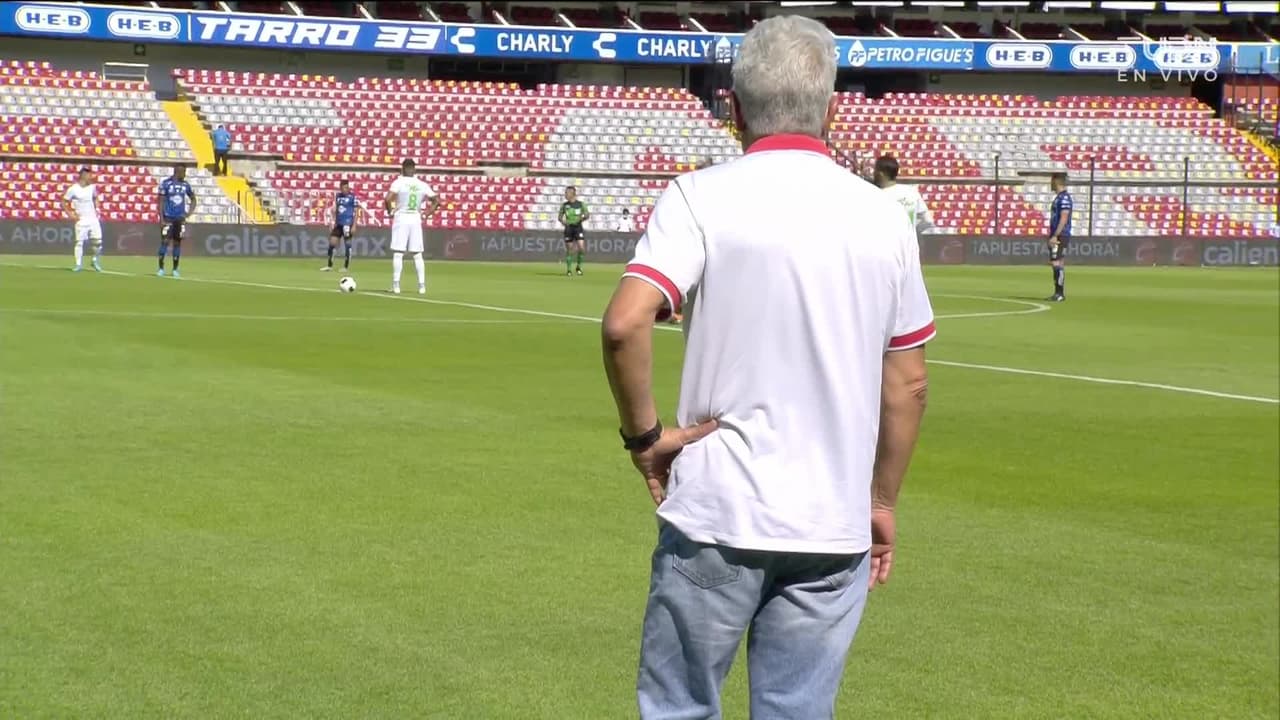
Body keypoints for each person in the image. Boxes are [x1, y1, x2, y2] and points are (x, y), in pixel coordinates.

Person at [600, 16, 934, 720]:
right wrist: (880, 502)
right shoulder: (884, 220)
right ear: (832, 107)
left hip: (718, 513)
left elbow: (627, 322)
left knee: (678, 707)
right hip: (831, 522)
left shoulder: (699, 196)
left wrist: (645, 440)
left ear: (733, 108)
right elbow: (909, 383)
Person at [384, 159, 438, 295]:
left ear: (402, 169)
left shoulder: (399, 182)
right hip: (415, 218)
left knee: (398, 252)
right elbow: (437, 201)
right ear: (414, 169)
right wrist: (426, 214)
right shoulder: (421, 184)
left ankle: (396, 285)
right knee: (417, 254)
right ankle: (422, 286)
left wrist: (390, 211)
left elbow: (387, 198)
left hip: (401, 217)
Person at [874, 155, 936, 234]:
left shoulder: (877, 195)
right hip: (909, 245)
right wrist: (912, 233)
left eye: (874, 170)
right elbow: (928, 221)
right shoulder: (912, 191)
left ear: (880, 174)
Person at [157, 165, 196, 278]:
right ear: (177, 171)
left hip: (180, 218)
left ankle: (175, 269)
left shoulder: (185, 185)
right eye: (184, 172)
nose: (185, 174)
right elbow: (161, 201)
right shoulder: (166, 184)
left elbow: (193, 199)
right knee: (164, 242)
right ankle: (161, 268)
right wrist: (162, 218)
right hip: (168, 217)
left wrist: (188, 213)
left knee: (177, 242)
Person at [62, 167, 103, 273]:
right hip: (81, 219)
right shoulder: (73, 189)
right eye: (89, 175)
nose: (91, 177)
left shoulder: (92, 187)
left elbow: (96, 198)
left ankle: (94, 260)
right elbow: (64, 201)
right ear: (83, 175)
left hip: (93, 218)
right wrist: (70, 214)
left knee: (98, 242)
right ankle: (78, 264)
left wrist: (98, 209)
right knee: (79, 243)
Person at [323, 179, 362, 273]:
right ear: (340, 188)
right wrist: (333, 221)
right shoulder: (338, 196)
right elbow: (336, 209)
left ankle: (346, 267)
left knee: (347, 245)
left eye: (346, 187)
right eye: (343, 187)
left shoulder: (353, 197)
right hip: (339, 224)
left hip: (348, 224)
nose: (345, 189)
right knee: (332, 243)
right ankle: (329, 266)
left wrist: (354, 226)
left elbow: (356, 212)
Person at [1047, 172, 1072, 302]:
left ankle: (1059, 293)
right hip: (1059, 234)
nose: (1050, 183)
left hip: (1060, 235)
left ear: (1056, 181)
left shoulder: (1064, 198)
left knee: (1056, 262)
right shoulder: (1059, 198)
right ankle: (1058, 292)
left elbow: (1064, 217)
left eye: (1051, 180)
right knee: (1057, 262)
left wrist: (1055, 235)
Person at [558, 186, 589, 276]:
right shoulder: (564, 205)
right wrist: (563, 221)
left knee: (582, 248)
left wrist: (582, 218)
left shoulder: (581, 204)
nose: (565, 194)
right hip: (568, 228)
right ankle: (569, 270)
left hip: (578, 227)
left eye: (567, 193)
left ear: (572, 194)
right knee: (570, 249)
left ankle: (579, 266)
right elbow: (559, 217)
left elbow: (587, 214)